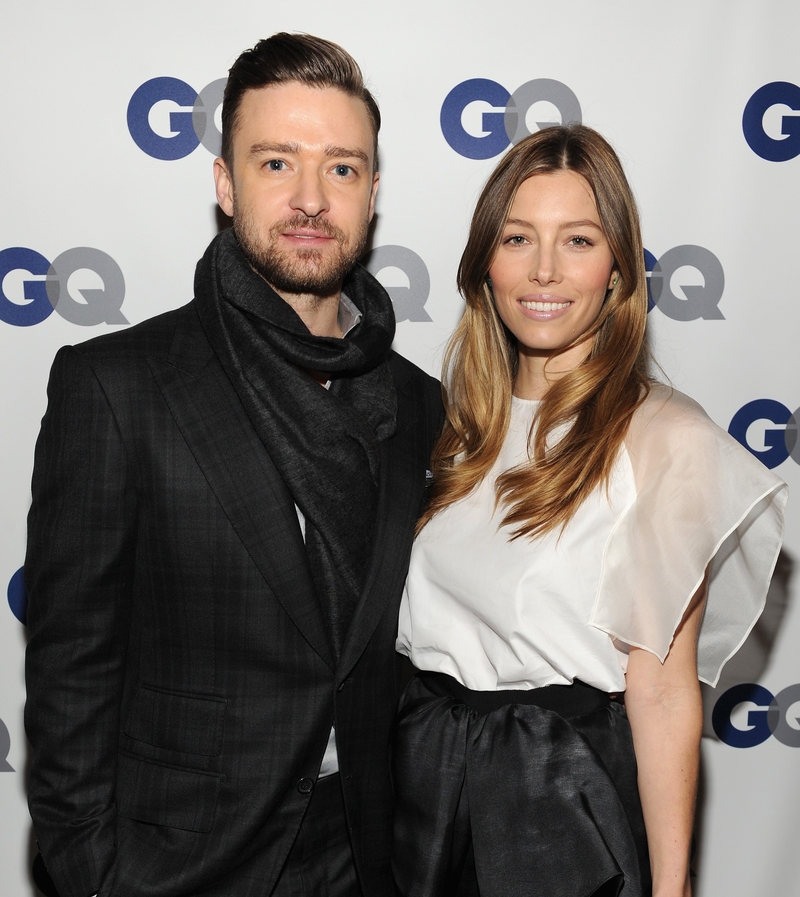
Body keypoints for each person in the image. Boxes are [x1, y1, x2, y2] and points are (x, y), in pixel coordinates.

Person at [24, 32, 441, 897]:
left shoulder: (416, 403)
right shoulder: (119, 385)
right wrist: (92, 876)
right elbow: (72, 669)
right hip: (179, 864)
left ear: (371, 194)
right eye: (276, 162)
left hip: (365, 854)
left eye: (342, 169)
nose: (310, 200)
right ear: (224, 183)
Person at [393, 124, 787, 897]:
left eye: (578, 239)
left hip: (560, 814)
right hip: (423, 793)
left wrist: (671, 890)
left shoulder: (667, 438)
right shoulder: (453, 423)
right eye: (517, 238)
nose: (544, 270)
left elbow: (666, 690)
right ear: (485, 263)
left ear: (617, 269)